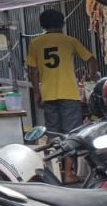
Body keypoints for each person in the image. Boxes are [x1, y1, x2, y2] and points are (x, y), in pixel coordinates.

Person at [27, 8, 97, 140]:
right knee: (72, 133)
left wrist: (37, 93)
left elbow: (33, 72)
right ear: (62, 24)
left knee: (53, 133)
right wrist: (90, 79)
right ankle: (69, 160)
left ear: (42, 25)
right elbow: (92, 60)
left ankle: (57, 159)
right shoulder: (70, 41)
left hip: (48, 94)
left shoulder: (35, 43)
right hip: (69, 93)